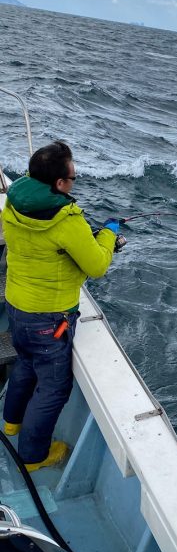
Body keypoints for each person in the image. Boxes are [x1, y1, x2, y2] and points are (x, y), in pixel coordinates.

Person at [1, 140, 120, 471]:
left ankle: (11, 423)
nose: (74, 180)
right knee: (53, 387)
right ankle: (33, 457)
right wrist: (109, 233)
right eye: (73, 176)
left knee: (25, 362)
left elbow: (44, 247)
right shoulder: (67, 220)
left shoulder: (13, 203)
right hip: (48, 318)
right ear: (59, 184)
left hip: (16, 305)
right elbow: (96, 266)